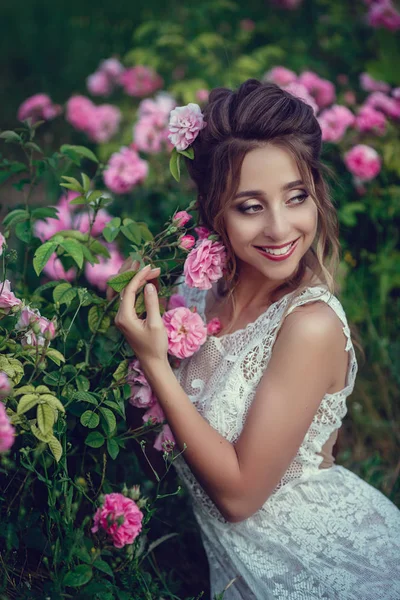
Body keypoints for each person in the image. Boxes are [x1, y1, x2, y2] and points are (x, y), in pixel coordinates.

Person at [112, 80, 400, 599]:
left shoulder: (309, 325)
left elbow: (240, 497)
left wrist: (154, 364)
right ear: (212, 211)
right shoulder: (196, 294)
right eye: (250, 206)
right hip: (232, 565)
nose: (279, 227)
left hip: (319, 561)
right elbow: (158, 446)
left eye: (296, 198)